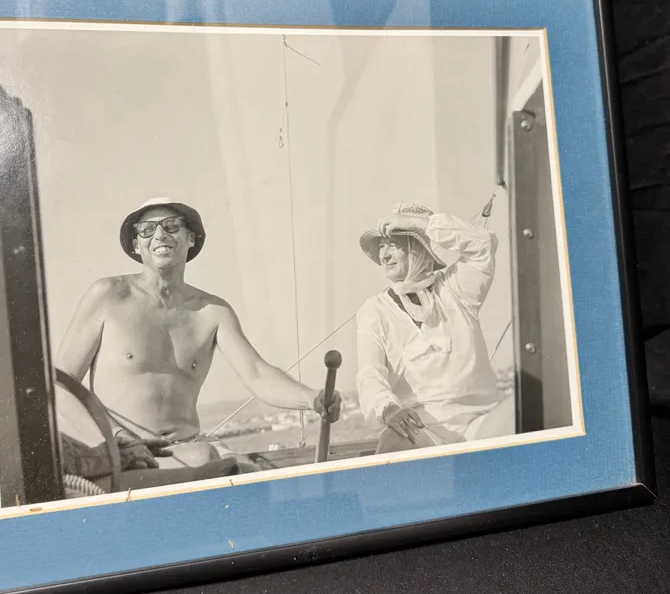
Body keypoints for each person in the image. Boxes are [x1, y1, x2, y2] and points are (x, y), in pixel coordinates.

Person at [56, 196, 341, 483]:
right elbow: (60, 382)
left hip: (188, 448)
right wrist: (115, 438)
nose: (159, 235)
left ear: (191, 238)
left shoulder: (212, 311)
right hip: (125, 456)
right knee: (211, 462)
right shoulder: (108, 295)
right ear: (136, 245)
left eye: (171, 225)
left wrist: (312, 398)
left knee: (247, 474)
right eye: (147, 229)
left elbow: (257, 374)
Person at [356, 201, 512, 453]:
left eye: (394, 244)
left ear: (418, 247)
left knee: (526, 408)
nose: (384, 255)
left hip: (482, 423)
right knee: (392, 441)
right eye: (382, 246)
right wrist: (388, 408)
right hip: (422, 430)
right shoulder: (374, 311)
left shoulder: (456, 289)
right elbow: (369, 373)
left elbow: (483, 244)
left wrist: (415, 223)